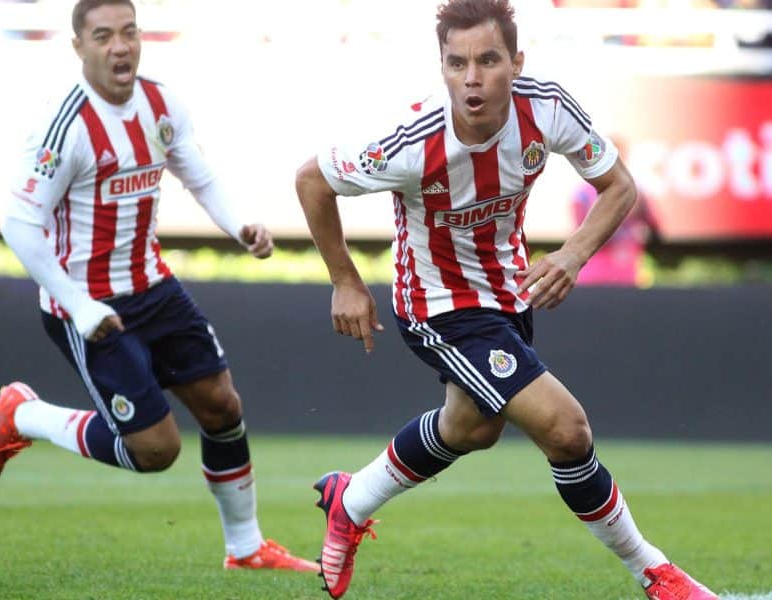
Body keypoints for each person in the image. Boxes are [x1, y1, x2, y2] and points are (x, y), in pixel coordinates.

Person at [295, 1, 718, 598]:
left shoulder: (545, 109)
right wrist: (344, 279)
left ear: (515, 63)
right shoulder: (412, 141)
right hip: (437, 303)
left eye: (488, 60)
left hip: (505, 292)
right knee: (567, 430)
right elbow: (312, 179)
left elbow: (619, 187)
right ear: (441, 67)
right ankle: (656, 573)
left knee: (472, 427)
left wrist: (571, 256)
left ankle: (351, 498)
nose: (472, 78)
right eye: (457, 63)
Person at [0, 0, 317, 574]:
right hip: (85, 303)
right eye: (104, 36)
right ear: (79, 47)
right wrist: (80, 306)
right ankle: (23, 415)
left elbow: (197, 172)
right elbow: (18, 224)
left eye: (129, 32)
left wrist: (239, 226)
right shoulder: (65, 127)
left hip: (153, 287)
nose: (120, 46)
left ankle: (246, 547)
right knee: (156, 451)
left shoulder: (161, 104)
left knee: (221, 405)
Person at [571, 137, 658, 286]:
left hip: (619, 271)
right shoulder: (634, 191)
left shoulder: (636, 191)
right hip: (601, 270)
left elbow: (655, 228)